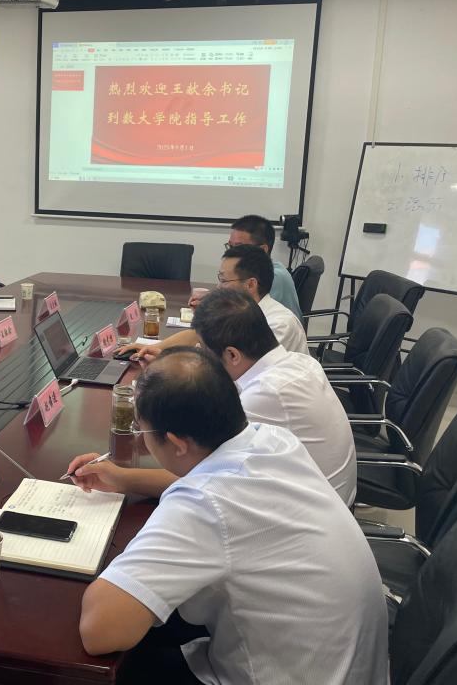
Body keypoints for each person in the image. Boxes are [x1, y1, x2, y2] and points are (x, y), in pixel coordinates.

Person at [67, 349, 387, 684]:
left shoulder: (206, 504)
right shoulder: (272, 440)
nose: (142, 441)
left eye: (141, 431)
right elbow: (208, 481)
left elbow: (100, 630)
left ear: (176, 442)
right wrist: (123, 479)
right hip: (339, 664)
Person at [192, 287, 356, 506]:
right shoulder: (301, 362)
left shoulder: (267, 393)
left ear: (232, 354)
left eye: (203, 350)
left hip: (312, 511)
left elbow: (201, 469)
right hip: (330, 499)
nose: (201, 356)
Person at [129, 245, 309, 357]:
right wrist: (154, 348)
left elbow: (238, 373)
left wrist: (169, 360)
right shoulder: (239, 312)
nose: (218, 287)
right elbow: (197, 334)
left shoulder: (278, 325)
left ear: (250, 285)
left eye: (223, 280)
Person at [209, 214, 302, 320]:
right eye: (230, 246)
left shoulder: (275, 276)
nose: (232, 252)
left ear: (262, 250)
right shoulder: (266, 269)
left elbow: (239, 313)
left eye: (239, 247)